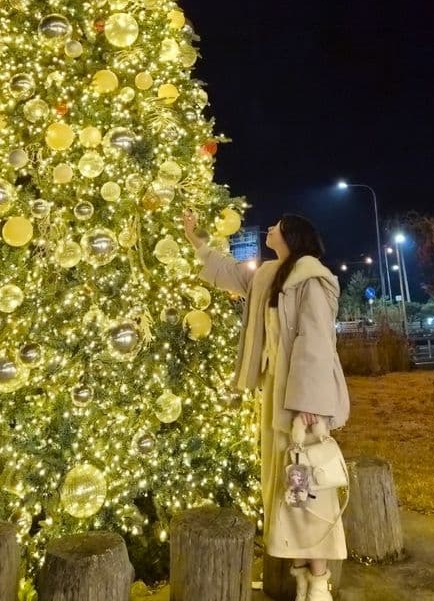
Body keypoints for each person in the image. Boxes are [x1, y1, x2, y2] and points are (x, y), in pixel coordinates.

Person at [182, 210, 350, 601]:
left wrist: (309, 402)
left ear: (290, 235)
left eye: (276, 225)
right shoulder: (269, 276)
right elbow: (229, 273)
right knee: (284, 483)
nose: (269, 228)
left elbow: (316, 342)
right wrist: (196, 239)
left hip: (302, 399)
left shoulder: (312, 277)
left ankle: (320, 580)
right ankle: (300, 575)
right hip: (275, 391)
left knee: (309, 485)